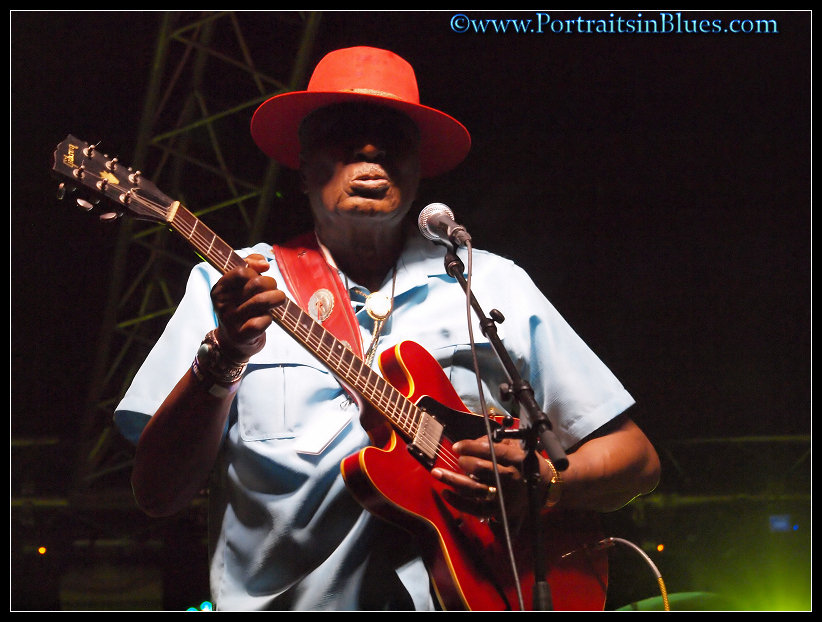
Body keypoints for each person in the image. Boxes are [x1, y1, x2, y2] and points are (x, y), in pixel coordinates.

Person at [114, 46, 660, 611]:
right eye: (343, 134)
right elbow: (157, 494)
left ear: (418, 168)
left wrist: (547, 483)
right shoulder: (234, 285)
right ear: (302, 166)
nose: (370, 150)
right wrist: (227, 354)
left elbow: (637, 459)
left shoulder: (490, 283)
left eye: (392, 137)